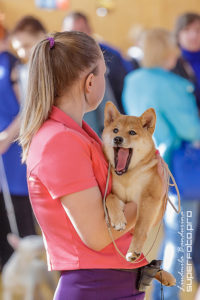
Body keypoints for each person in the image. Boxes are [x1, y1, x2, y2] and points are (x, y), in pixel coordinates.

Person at [19, 31, 167, 300]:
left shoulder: (77, 134)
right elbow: (98, 235)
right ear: (90, 82)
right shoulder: (60, 141)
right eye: (104, 73)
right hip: (97, 287)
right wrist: (148, 198)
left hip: (112, 285)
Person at [122, 28, 200, 300]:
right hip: (176, 169)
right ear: (168, 53)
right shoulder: (174, 85)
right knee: (181, 238)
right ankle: (169, 296)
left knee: (157, 238)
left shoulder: (133, 80)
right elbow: (193, 130)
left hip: (141, 167)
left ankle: (157, 295)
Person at [0, 24, 36, 270]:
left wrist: (6, 137)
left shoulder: (12, 65)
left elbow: (28, 108)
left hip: (12, 154)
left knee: (21, 225)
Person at [62, 11, 133, 116]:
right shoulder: (59, 60)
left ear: (90, 31)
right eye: (71, 32)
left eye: (81, 31)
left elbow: (125, 88)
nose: (77, 38)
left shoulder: (110, 55)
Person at [11, 16, 46, 105]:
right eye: (18, 49)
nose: (22, 54)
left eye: (27, 46)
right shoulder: (22, 71)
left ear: (42, 36)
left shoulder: (60, 65)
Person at [172, 12, 200, 111]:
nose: (193, 35)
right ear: (178, 35)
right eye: (187, 30)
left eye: (198, 30)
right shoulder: (172, 65)